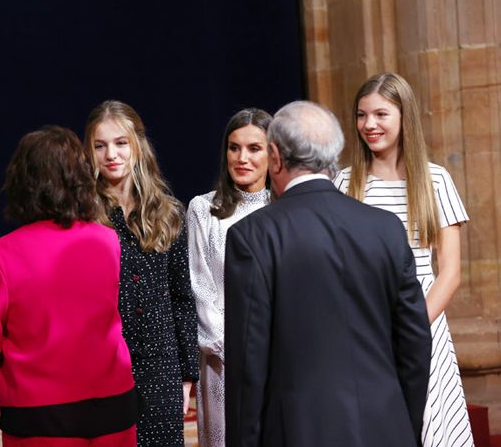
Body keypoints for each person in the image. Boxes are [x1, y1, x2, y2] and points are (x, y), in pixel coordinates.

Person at [224, 100, 432, 447]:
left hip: (299, 433)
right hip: (387, 427)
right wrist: (403, 425)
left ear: (274, 156)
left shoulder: (252, 237)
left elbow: (249, 362)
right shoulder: (386, 228)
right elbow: (415, 341)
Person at [0, 126, 139, 446]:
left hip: (38, 418)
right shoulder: (108, 241)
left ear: (23, 183)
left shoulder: (1, 257)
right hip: (113, 408)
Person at [333, 72, 473, 447]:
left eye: (380, 114)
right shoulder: (344, 184)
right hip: (363, 327)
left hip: (421, 321)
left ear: (403, 116)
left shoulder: (435, 181)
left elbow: (450, 274)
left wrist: (408, 327)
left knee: (430, 428)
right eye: (362, 116)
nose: (369, 125)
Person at [84, 100, 199, 447]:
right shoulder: (83, 214)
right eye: (100, 145)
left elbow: (182, 298)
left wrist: (186, 377)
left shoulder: (167, 212)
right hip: (101, 364)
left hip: (160, 367)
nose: (111, 154)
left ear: (137, 146)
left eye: (120, 143)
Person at [186, 108, 272, 446]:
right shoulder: (203, 209)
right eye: (234, 148)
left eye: (254, 148)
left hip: (278, 356)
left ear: (272, 152)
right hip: (224, 360)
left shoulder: (285, 210)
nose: (242, 158)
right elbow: (200, 284)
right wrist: (232, 349)